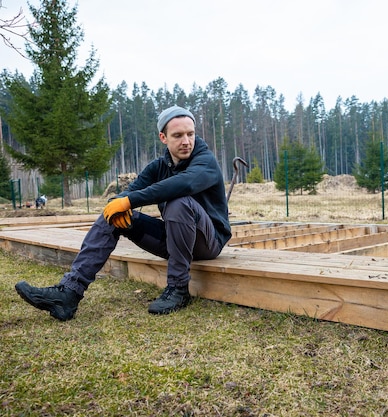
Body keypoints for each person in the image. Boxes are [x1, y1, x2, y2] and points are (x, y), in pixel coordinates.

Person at [15, 106, 231, 320]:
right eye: (178, 135)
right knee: (114, 214)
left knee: (178, 201)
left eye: (190, 134)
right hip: (174, 240)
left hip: (207, 242)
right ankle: (69, 293)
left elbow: (183, 183)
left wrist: (129, 201)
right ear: (163, 137)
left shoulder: (205, 161)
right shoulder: (159, 166)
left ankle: (178, 289)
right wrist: (117, 203)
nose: (186, 141)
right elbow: (128, 193)